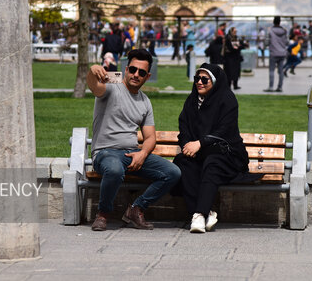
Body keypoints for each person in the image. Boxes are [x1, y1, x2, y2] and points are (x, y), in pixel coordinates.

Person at [87, 49, 181, 231]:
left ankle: (136, 209)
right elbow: (94, 86)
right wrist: (93, 71)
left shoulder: (145, 102)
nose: (136, 74)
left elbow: (150, 137)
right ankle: (103, 214)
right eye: (132, 69)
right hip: (105, 153)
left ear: (148, 76)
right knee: (114, 170)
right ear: (126, 68)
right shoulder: (111, 88)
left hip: (131, 154)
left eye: (142, 72)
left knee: (173, 172)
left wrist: (143, 154)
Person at [172, 63, 249, 233]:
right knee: (185, 163)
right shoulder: (191, 101)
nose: (199, 82)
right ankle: (205, 213)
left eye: (204, 79)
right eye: (197, 78)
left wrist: (199, 143)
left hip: (226, 153)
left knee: (212, 163)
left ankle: (199, 213)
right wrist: (186, 146)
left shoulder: (227, 99)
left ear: (214, 82)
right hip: (199, 154)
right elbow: (183, 127)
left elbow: (224, 131)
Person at [264, 16, 288, 92]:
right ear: (280, 22)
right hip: (282, 53)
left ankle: (271, 87)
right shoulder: (284, 31)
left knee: (271, 71)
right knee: (281, 71)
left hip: (273, 53)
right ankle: (280, 87)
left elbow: (267, 42)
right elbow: (287, 42)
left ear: (273, 22)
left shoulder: (270, 31)